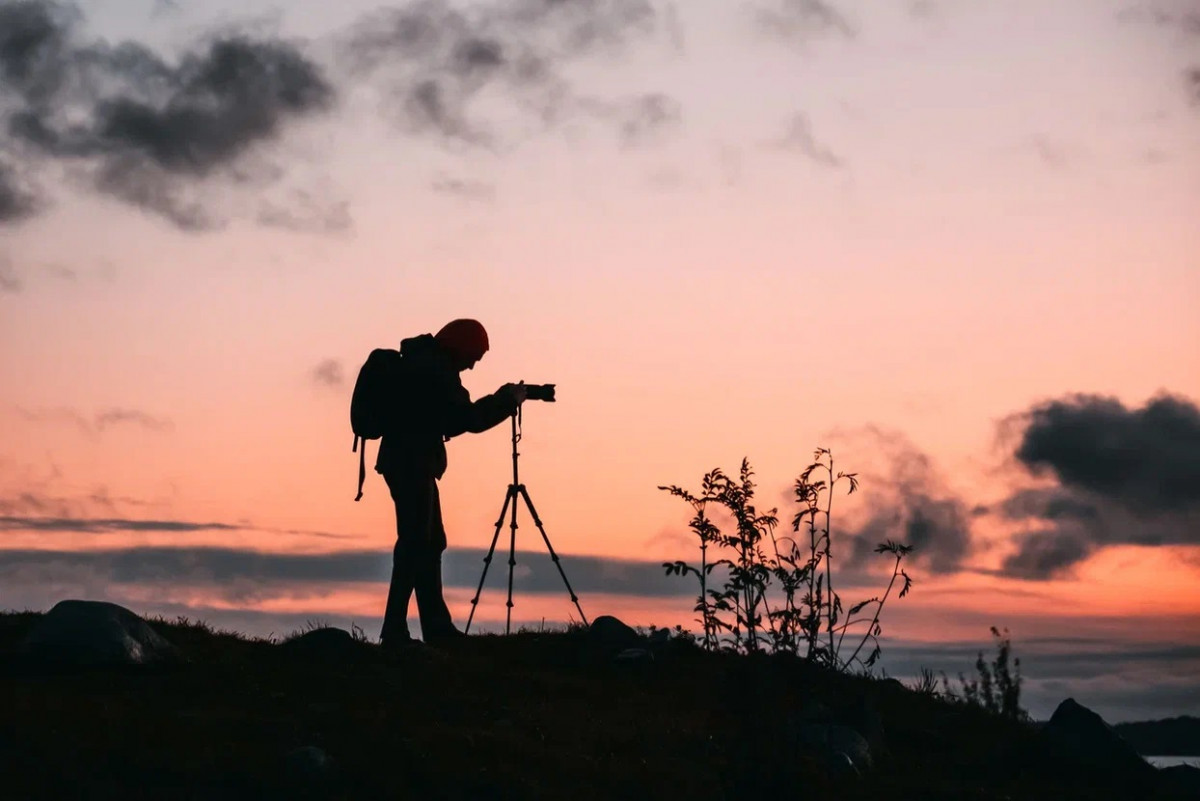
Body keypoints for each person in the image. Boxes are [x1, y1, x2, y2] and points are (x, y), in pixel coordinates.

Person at [375, 319, 526, 648]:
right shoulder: (435, 369)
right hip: (411, 462)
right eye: (473, 357)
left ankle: (435, 627)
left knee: (428, 543)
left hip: (411, 461)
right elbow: (466, 419)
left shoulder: (425, 362)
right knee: (415, 544)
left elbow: (451, 420)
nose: (472, 365)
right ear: (459, 347)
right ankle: (395, 631)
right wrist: (505, 400)